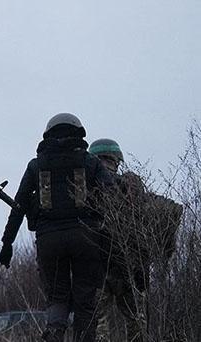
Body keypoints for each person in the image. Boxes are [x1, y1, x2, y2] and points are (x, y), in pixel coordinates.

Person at [0, 113, 114, 342]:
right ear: (78, 133)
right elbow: (112, 200)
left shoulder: (36, 165)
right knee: (85, 301)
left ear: (48, 134)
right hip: (86, 238)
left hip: (49, 241)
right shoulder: (91, 162)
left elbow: (19, 205)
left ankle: (53, 335)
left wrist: (7, 243)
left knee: (57, 298)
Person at [89, 138, 182, 342]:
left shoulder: (87, 191)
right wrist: (163, 255)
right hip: (131, 269)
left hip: (97, 268)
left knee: (98, 327)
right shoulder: (132, 189)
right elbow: (170, 212)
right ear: (116, 161)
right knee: (137, 326)